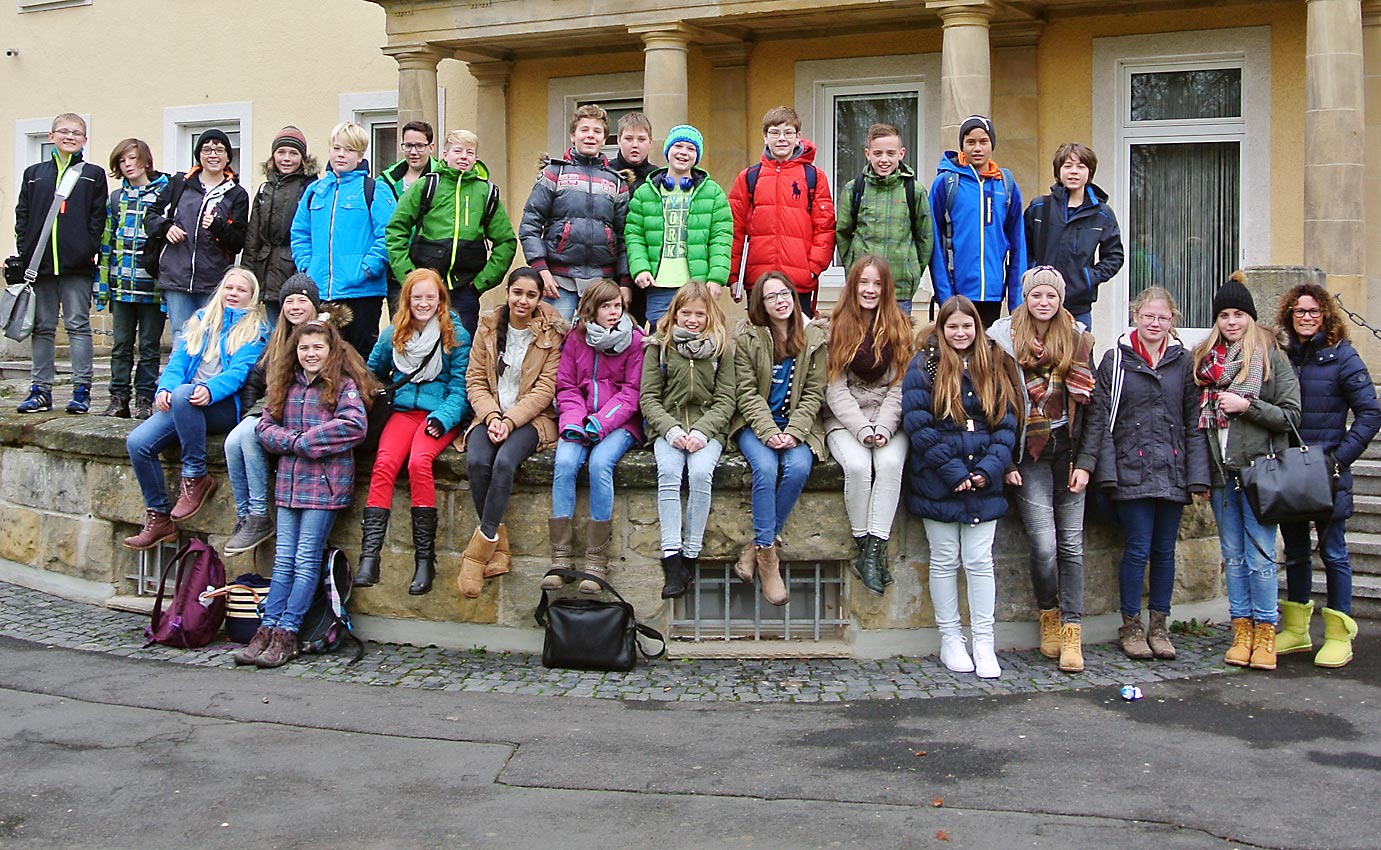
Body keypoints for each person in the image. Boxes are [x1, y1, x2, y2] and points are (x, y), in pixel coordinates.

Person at [1078, 286, 1209, 661]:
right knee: (1136, 549)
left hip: (1172, 468)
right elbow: (1100, 420)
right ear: (1135, 315)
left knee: (1164, 551)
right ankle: (1131, 626)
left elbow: (1192, 420)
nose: (1155, 323)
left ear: (1173, 321)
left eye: (1162, 317)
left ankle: (1159, 625)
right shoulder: (1115, 361)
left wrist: (1196, 476)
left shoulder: (1182, 362)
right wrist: (1106, 474)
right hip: (1130, 468)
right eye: (1148, 316)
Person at [235, 320, 374, 669]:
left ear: (331, 351)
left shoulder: (343, 386)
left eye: (317, 348)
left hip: (324, 487)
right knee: (282, 561)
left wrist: (305, 442)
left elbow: (353, 426)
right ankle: (267, 627)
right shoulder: (285, 386)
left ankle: (288, 631)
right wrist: (290, 442)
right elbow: (264, 426)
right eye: (304, 348)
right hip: (289, 484)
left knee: (305, 560)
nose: (310, 354)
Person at [902, 295, 1019, 678]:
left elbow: (1006, 422)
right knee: (945, 558)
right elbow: (919, 424)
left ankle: (983, 641)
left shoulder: (994, 362)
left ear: (976, 327)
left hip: (984, 476)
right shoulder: (924, 365)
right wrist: (953, 471)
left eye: (966, 325)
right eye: (952, 326)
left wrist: (988, 468)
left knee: (979, 562)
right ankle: (951, 638)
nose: (960, 332)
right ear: (941, 328)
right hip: (937, 478)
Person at [1193, 272, 1301, 671]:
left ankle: (1265, 632)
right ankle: (1241, 630)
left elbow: (1291, 416)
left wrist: (1247, 407)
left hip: (1260, 474)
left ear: (1251, 318)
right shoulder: (1206, 360)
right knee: (1233, 557)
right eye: (1224, 315)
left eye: (1239, 314)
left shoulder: (1270, 356)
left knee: (1259, 558)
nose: (1232, 322)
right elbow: (1196, 424)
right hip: (1222, 475)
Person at [990, 267, 1096, 672]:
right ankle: (1048, 613)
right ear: (1026, 298)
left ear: (1060, 299)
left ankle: (1072, 631)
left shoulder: (1079, 340)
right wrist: (1006, 462)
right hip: (1028, 453)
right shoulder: (1004, 341)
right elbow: (994, 404)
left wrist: (1086, 463)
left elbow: (1094, 411)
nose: (1044, 302)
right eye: (1036, 296)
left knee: (1072, 546)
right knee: (1045, 546)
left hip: (1069, 451)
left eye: (1051, 296)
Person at [122, 268, 269, 549]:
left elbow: (239, 373)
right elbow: (178, 362)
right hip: (185, 402)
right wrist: (163, 389)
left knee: (184, 394)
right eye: (230, 288)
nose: (234, 294)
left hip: (223, 407)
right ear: (220, 290)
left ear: (252, 297)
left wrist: (210, 390)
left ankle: (196, 474)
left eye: (241, 290)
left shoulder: (256, 330)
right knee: (138, 442)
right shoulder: (201, 321)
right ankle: (158, 516)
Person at [1274, 283, 1380, 668]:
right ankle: (1298, 630)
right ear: (1289, 315)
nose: (1305, 318)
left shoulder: (1344, 357)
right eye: (1299, 311)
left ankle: (1338, 633)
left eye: (1313, 312)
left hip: (1329, 473)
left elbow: (1370, 414)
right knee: (1297, 552)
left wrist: (1338, 460)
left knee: (1333, 552)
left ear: (1325, 316)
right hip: (1290, 475)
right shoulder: (1282, 355)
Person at [354, 268, 471, 596]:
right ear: (407, 300)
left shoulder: (455, 335)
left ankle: (425, 560)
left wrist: (444, 418)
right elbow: (371, 374)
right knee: (385, 463)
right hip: (403, 412)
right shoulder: (393, 334)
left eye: (429, 297)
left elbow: (460, 387)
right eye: (417, 297)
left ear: (440, 300)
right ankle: (370, 556)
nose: (423, 303)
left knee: (419, 462)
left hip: (438, 413)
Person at [461, 267, 565, 598]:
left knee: (504, 462)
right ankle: (498, 547)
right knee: (477, 461)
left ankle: (477, 555)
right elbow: (475, 379)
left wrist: (510, 421)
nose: (523, 300)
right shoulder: (488, 327)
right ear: (507, 293)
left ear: (538, 299)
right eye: (517, 293)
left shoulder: (551, 333)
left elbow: (546, 388)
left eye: (531, 295)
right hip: (489, 414)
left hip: (531, 420)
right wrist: (492, 415)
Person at [539, 279, 645, 596]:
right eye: (606, 306)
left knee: (600, 465)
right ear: (591, 309)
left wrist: (600, 422)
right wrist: (574, 422)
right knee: (565, 463)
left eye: (617, 306)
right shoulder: (575, 339)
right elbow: (567, 386)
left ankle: (596, 561)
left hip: (620, 423)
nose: (613, 312)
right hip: (579, 418)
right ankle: (560, 557)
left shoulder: (636, 341)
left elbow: (632, 394)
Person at [731, 272, 829, 606]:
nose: (780, 301)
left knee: (799, 468)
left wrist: (794, 431)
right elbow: (745, 392)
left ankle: (759, 547)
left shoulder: (813, 337)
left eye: (785, 293)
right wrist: (770, 432)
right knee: (765, 468)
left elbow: (815, 393)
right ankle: (770, 564)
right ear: (761, 303)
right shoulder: (750, 339)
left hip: (798, 425)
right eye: (771, 296)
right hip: (755, 425)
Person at [221, 273, 335, 556]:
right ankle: (246, 514)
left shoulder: (324, 336)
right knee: (231, 441)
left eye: (302, 300)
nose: (295, 306)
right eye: (289, 301)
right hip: (270, 408)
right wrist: (249, 413)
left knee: (249, 436)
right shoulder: (278, 337)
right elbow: (255, 380)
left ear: (314, 304)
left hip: (300, 416)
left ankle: (260, 513)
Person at [820, 256, 913, 595]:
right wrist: (862, 429)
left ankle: (872, 555)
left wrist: (884, 429)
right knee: (858, 467)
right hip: (846, 421)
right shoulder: (834, 327)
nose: (870, 290)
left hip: (889, 420)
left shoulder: (901, 327)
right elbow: (835, 389)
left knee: (888, 463)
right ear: (853, 285)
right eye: (864, 283)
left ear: (886, 288)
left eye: (877, 284)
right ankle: (868, 553)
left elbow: (899, 388)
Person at [640, 280, 736, 599]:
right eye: (686, 313)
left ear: (709, 315)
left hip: (706, 428)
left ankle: (691, 553)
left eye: (699, 314)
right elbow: (649, 398)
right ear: (675, 313)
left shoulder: (721, 347)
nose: (692, 320)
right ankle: (672, 558)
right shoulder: (660, 346)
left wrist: (702, 431)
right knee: (668, 473)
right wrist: (670, 430)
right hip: (669, 427)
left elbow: (726, 399)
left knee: (699, 473)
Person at [13, 113, 109, 414]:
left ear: (84, 139)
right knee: (42, 327)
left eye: (77, 132)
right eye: (64, 131)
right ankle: (40, 390)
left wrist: (86, 249)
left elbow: (98, 219)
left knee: (78, 325)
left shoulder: (93, 174)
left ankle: (82, 390)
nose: (70, 136)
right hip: (40, 265)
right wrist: (26, 250)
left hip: (77, 266)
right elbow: (22, 216)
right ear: (51, 136)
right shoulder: (34, 173)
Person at [384, 129, 517, 339]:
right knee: (416, 343)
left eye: (470, 152)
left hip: (465, 289)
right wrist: (408, 275)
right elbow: (395, 230)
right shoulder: (426, 185)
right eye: (458, 151)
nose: (464, 157)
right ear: (445, 155)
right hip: (425, 287)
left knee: (460, 348)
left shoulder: (486, 193)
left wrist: (481, 282)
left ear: (476, 158)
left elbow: (506, 242)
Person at [290, 121, 396, 358]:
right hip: (320, 291)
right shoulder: (315, 190)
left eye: (348, 150)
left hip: (361, 294)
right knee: (322, 357)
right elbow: (299, 234)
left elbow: (388, 235)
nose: (341, 154)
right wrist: (307, 267)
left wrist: (367, 269)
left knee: (358, 359)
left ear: (360, 156)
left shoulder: (374, 189)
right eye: (337, 148)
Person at [519, 104, 631, 321]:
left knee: (599, 346)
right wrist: (542, 272)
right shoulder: (553, 174)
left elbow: (625, 236)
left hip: (603, 284)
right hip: (558, 282)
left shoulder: (617, 182)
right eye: (584, 130)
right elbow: (530, 225)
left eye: (597, 131)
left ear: (604, 138)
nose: (590, 136)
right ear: (573, 135)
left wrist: (625, 282)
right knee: (554, 346)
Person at [145, 128, 250, 348]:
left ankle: (207, 383)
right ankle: (179, 382)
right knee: (181, 335)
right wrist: (166, 227)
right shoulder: (179, 184)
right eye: (207, 150)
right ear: (199, 155)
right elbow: (151, 217)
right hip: (176, 275)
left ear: (228, 157)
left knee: (213, 336)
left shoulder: (236, 194)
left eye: (220, 150)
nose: (213, 155)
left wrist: (218, 227)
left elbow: (239, 241)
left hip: (213, 279)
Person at [728, 107, 836, 317]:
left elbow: (825, 228)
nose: (781, 139)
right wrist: (734, 277)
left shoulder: (813, 176)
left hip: (799, 281)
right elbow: (735, 229)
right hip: (759, 281)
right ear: (765, 137)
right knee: (761, 344)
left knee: (797, 345)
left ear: (798, 137)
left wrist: (812, 268)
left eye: (788, 133)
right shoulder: (749, 177)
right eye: (775, 133)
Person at [625, 124, 733, 326]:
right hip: (659, 284)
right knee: (660, 341)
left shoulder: (713, 192)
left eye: (691, 149)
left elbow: (721, 237)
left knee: (696, 341)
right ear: (668, 150)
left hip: (698, 284)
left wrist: (717, 278)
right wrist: (640, 269)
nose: (683, 152)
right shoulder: (645, 193)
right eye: (678, 146)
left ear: (697, 155)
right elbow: (634, 235)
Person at [928, 115, 1025, 328]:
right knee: (958, 356)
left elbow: (1018, 245)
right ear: (962, 145)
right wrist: (945, 296)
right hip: (957, 292)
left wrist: (1016, 302)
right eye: (970, 142)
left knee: (989, 357)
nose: (977, 148)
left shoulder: (1006, 185)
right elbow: (934, 241)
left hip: (992, 293)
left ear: (992, 144)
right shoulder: (946, 183)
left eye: (983, 142)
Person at [97, 138, 168, 420]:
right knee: (121, 346)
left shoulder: (164, 193)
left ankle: (145, 399)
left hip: (151, 287)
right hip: (122, 284)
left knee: (150, 347)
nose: (128, 165)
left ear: (146, 161)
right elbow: (106, 244)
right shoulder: (116, 198)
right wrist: (103, 286)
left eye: (132, 159)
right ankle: (118, 398)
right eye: (122, 161)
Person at [835, 123, 934, 316]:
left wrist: (911, 272)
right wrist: (854, 267)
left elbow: (925, 238)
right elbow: (843, 233)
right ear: (867, 153)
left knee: (896, 343)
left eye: (890, 153)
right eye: (878, 153)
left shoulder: (914, 191)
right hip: (863, 290)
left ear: (901, 153)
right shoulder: (854, 189)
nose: (884, 160)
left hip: (900, 290)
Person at [1023, 143, 1124, 329]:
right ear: (1058, 171)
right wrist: (1033, 271)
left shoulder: (1102, 214)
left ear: (1090, 172)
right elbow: (1023, 248)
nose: (1074, 172)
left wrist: (1088, 277)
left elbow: (1114, 256)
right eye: (1068, 166)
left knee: (1078, 357)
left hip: (1078, 307)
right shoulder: (1039, 207)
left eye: (1081, 166)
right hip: (1039, 305)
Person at [243, 126, 319, 327]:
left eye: (293, 153)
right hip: (266, 271)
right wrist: (248, 276)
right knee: (273, 333)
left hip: (295, 270)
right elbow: (253, 238)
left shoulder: (311, 189)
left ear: (303, 159)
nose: (286, 158)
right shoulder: (264, 189)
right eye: (281, 152)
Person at [380, 121, 439, 315]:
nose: (413, 151)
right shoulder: (385, 181)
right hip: (397, 268)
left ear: (431, 147)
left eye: (420, 146)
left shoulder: (443, 179)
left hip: (433, 263)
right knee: (400, 327)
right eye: (408, 145)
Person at [609, 111, 656, 325]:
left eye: (641, 139)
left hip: (647, 267)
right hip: (609, 264)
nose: (634, 145)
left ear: (650, 142)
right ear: (618, 140)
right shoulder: (606, 173)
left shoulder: (659, 178)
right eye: (628, 139)